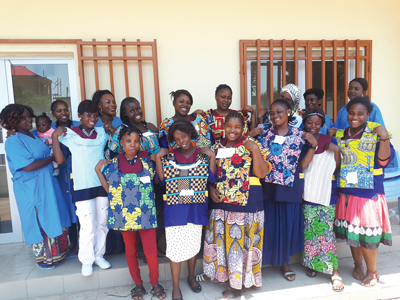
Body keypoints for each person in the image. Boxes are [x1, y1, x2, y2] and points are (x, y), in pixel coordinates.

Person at [202, 112, 271, 298]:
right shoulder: (216, 147)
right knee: (226, 242)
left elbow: (262, 173)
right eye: (229, 126)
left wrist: (255, 149)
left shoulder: (252, 145)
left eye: (237, 127)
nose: (233, 130)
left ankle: (238, 285)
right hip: (221, 202)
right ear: (224, 127)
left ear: (244, 128)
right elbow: (211, 173)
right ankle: (227, 277)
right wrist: (210, 188)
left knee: (243, 243)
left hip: (247, 201)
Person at [95, 126, 166, 300]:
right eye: (128, 141)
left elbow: (159, 180)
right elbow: (110, 190)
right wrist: (98, 171)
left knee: (150, 251)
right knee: (131, 251)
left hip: (146, 214)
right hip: (124, 215)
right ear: (121, 143)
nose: (132, 145)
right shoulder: (114, 162)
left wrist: (157, 158)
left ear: (140, 143)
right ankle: (138, 285)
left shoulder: (147, 160)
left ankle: (155, 283)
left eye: (136, 141)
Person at [1, 104, 71, 270]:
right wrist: (52, 157)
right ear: (13, 121)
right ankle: (44, 259)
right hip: (31, 189)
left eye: (28, 116)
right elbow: (29, 166)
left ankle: (57, 254)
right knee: (40, 221)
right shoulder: (13, 140)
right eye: (23, 118)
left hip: (46, 184)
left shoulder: (33, 136)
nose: (28, 120)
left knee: (53, 216)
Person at [334, 97, 394, 287]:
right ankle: (358, 265)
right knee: (353, 231)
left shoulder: (376, 132)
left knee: (367, 233)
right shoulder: (341, 134)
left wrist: (383, 136)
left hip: (368, 193)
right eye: (352, 113)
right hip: (346, 191)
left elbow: (384, 161)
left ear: (368, 114)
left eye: (360, 113)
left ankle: (373, 271)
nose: (355, 117)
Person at [155, 120, 216, 300]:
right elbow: (161, 180)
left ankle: (190, 277)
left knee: (193, 246)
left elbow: (211, 177)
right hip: (175, 211)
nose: (181, 141)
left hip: (196, 209)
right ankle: (175, 286)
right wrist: (158, 158)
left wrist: (212, 156)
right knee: (174, 249)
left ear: (191, 134)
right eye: (177, 139)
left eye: (184, 136)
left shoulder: (203, 155)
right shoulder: (168, 157)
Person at [257, 99, 317, 281]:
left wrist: (313, 146)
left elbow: (303, 164)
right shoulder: (263, 132)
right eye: (272, 113)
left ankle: (284, 263)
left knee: (285, 226)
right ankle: (258, 263)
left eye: (279, 111)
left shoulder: (301, 135)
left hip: (290, 187)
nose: (275, 115)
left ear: (289, 112)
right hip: (268, 187)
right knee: (268, 225)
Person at [52, 100, 111, 277]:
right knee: (86, 224)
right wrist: (55, 137)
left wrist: (111, 130)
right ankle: (86, 260)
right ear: (79, 116)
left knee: (102, 222)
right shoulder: (70, 134)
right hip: (82, 185)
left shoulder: (102, 133)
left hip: (101, 183)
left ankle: (99, 255)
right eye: (88, 115)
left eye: (95, 115)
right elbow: (60, 160)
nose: (92, 119)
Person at [108, 96, 164, 260]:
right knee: (139, 214)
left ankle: (151, 247)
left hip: (155, 177)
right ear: (125, 114)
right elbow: (113, 154)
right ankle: (141, 250)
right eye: (131, 111)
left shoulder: (151, 126)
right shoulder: (122, 130)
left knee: (159, 213)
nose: (136, 112)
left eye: (138, 108)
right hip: (133, 182)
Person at [300, 109, 344, 292]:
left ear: (322, 124)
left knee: (327, 233)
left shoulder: (329, 141)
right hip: (308, 193)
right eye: (310, 122)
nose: (313, 126)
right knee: (310, 231)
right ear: (304, 123)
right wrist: (311, 144)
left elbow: (336, 169)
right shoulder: (301, 140)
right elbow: (302, 166)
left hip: (326, 193)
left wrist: (337, 152)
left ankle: (335, 271)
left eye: (317, 123)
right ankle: (313, 265)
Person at [194, 84, 259, 142]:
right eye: (223, 97)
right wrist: (193, 116)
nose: (226, 100)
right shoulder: (207, 116)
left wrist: (253, 114)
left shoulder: (238, 115)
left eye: (229, 98)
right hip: (213, 153)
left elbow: (252, 133)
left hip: (238, 152)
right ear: (216, 97)